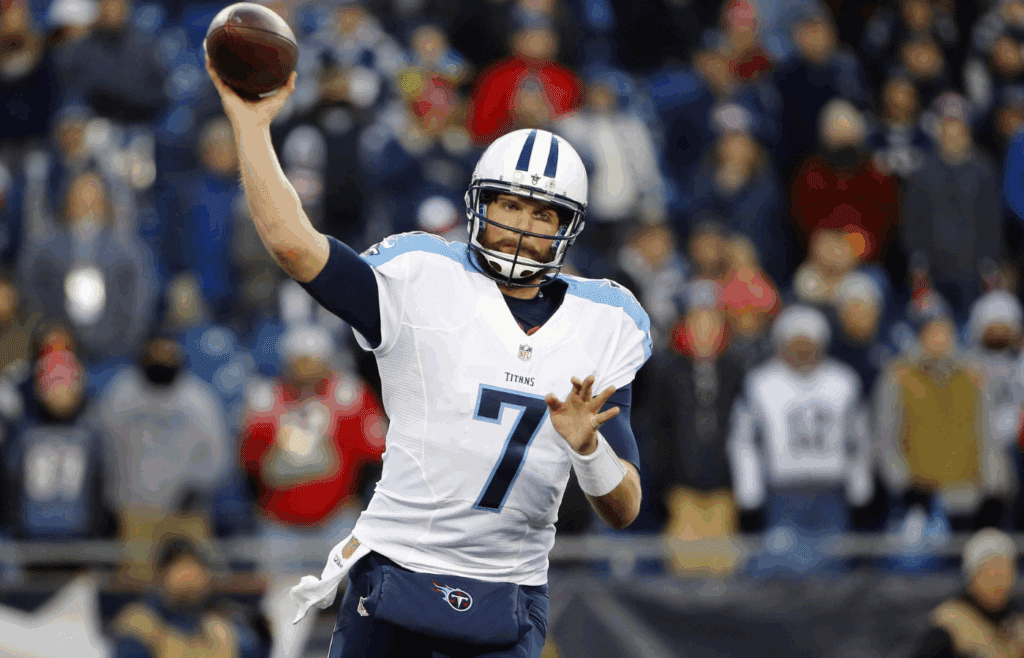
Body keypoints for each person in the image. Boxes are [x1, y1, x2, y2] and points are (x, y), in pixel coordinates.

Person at [206, 54, 649, 658]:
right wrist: (252, 129)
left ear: (568, 228)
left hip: (510, 589)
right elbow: (295, 246)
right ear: (480, 205)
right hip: (397, 566)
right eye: (510, 205)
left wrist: (589, 450)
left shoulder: (604, 323)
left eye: (543, 213)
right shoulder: (422, 276)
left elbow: (625, 507)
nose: (522, 227)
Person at [909, 528, 1024, 658]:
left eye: (1006, 573)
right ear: (973, 576)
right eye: (992, 573)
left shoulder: (1016, 619)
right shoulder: (951, 620)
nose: (1001, 583)